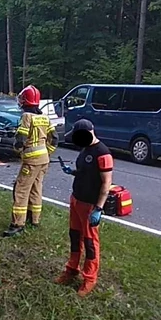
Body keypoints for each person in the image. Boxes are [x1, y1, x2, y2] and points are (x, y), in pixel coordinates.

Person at [54, 118, 113, 297]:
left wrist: (98, 209)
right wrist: (73, 172)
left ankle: (89, 278)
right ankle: (71, 270)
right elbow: (85, 172)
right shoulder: (85, 149)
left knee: (90, 243)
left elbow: (106, 183)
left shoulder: (103, 153)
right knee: (75, 237)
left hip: (90, 205)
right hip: (76, 200)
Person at [3, 85, 59, 237]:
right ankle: (34, 219)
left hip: (31, 160)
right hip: (44, 160)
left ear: (25, 101)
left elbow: (21, 139)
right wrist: (47, 153)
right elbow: (54, 139)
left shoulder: (27, 117)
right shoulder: (44, 117)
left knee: (21, 189)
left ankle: (17, 224)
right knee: (36, 188)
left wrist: (18, 150)